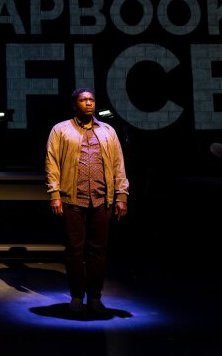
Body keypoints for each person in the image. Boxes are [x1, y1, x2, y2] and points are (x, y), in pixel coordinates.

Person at [45, 87, 129, 315]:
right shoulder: (61, 130)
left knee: (98, 250)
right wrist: (54, 194)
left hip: (102, 199)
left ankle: (94, 297)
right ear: (75, 105)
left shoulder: (108, 131)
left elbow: (118, 164)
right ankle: (75, 297)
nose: (89, 103)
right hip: (73, 199)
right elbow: (52, 163)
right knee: (74, 250)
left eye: (91, 99)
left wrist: (122, 195)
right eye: (83, 100)